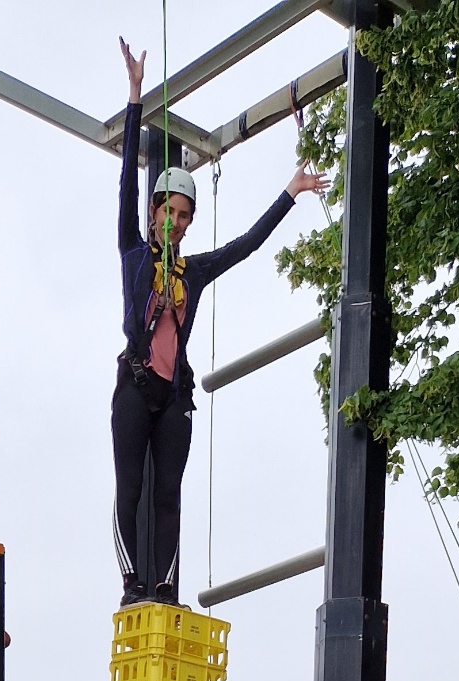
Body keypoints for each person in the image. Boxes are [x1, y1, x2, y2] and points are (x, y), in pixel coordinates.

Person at [114, 38, 326, 605]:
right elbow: (125, 186)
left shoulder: (194, 269)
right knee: (131, 487)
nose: (175, 222)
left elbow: (248, 245)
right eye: (168, 212)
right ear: (155, 212)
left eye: (184, 216)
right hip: (135, 384)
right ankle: (133, 583)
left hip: (173, 392)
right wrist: (136, 96)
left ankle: (162, 587)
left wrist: (291, 190)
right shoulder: (134, 254)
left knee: (169, 496)